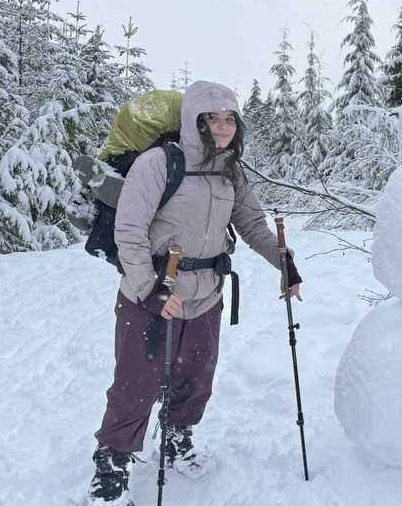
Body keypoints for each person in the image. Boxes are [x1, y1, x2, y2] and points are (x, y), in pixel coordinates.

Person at [87, 80, 303, 505]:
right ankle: (110, 469)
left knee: (196, 377)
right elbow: (128, 232)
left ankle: (176, 437)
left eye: (229, 119)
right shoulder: (156, 163)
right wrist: (148, 290)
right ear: (193, 119)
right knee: (136, 385)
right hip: (151, 295)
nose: (222, 127)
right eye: (212, 118)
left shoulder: (229, 170)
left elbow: (252, 223)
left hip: (205, 295)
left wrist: (283, 262)